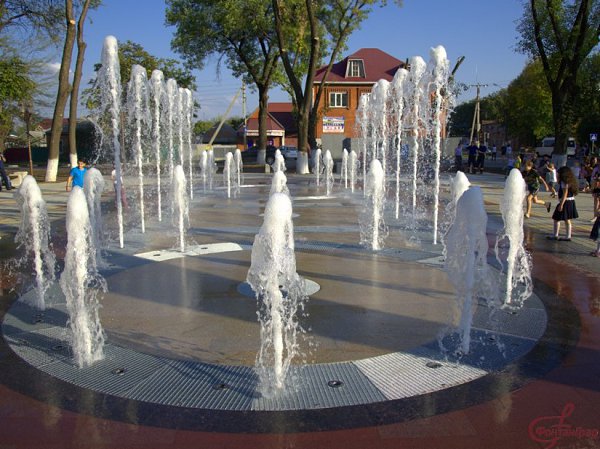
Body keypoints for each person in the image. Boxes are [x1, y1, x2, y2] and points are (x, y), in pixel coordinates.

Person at [547, 166, 579, 241]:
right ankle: (567, 236)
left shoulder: (563, 182)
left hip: (565, 202)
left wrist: (561, 204)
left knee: (556, 218)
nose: (557, 174)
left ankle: (556, 235)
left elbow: (565, 193)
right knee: (567, 219)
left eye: (558, 173)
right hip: (571, 201)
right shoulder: (570, 181)